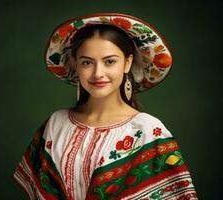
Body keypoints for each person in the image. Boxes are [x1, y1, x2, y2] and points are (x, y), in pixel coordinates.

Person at [12, 13, 198, 200]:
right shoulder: (56, 124)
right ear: (75, 65)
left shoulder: (148, 131)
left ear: (127, 63)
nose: (98, 73)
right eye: (87, 62)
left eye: (110, 61)